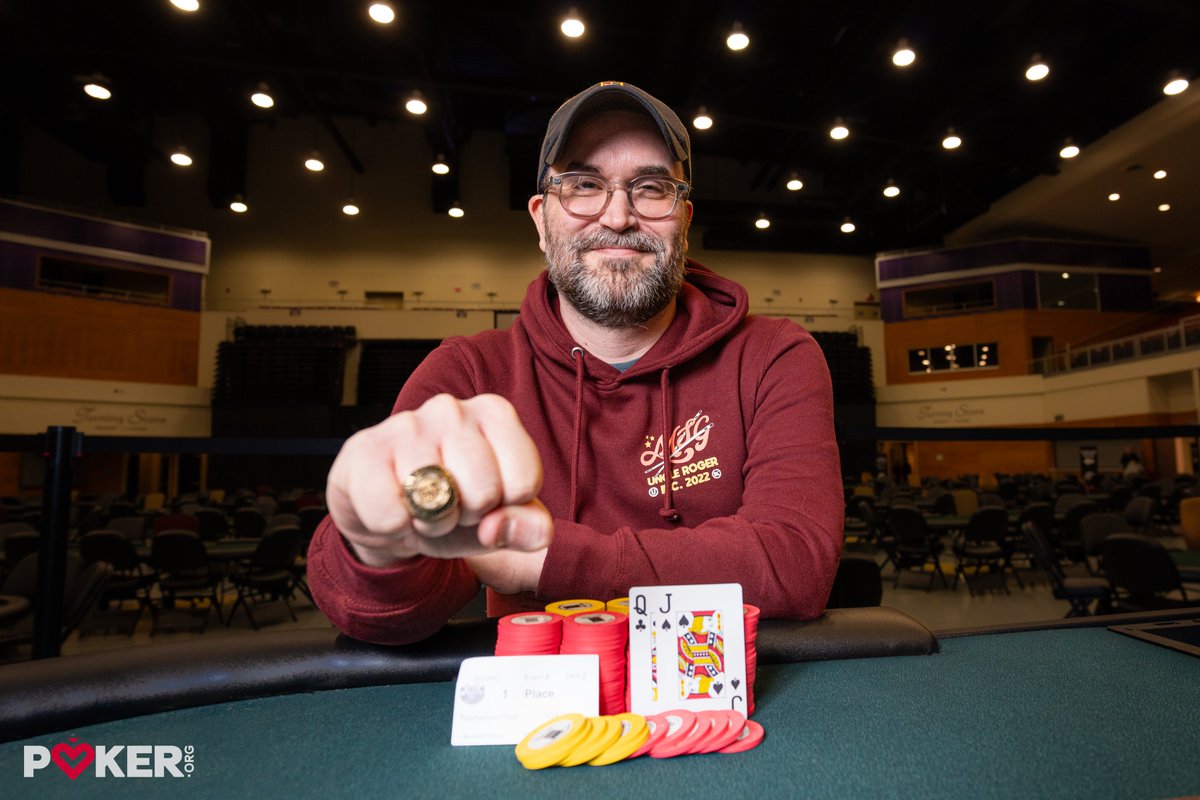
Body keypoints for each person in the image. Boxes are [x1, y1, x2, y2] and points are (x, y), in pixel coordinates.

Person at [308, 82, 843, 645]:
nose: (618, 217)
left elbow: (796, 565)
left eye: (652, 187)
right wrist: (375, 545)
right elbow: (382, 613)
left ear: (683, 218)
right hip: (536, 715)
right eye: (583, 185)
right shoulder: (468, 377)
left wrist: (543, 559)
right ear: (541, 219)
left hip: (730, 703)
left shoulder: (774, 356)